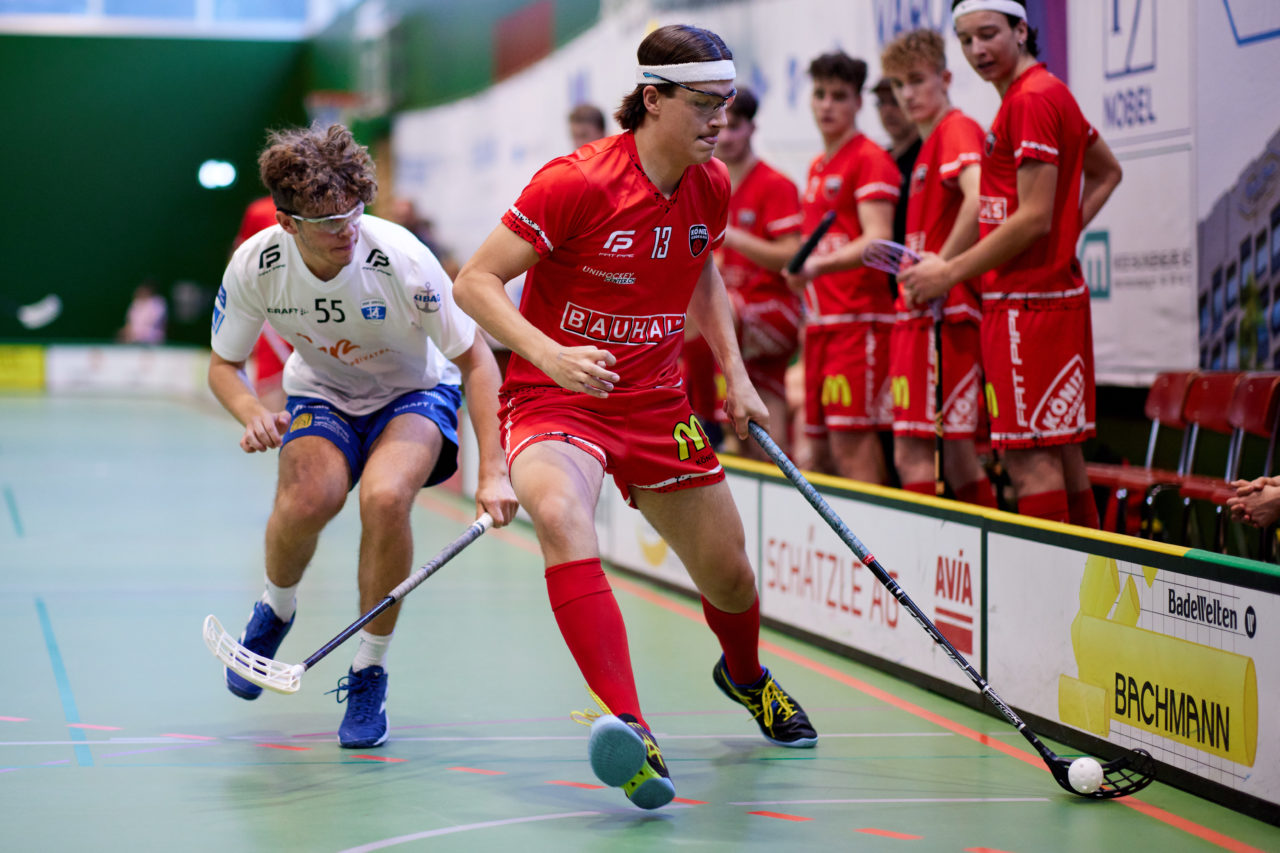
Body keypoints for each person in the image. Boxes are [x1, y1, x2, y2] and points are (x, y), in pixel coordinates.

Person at [453, 24, 817, 811]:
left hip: (656, 402)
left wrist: (736, 374)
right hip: (558, 396)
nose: (720, 119)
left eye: (727, 102)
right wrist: (546, 354)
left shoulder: (708, 182)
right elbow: (474, 282)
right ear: (653, 99)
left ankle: (746, 677)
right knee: (558, 512)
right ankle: (633, 724)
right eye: (705, 103)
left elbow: (701, 272)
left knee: (729, 571)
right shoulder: (576, 182)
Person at [208, 124, 518, 749]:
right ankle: (276, 609)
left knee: (383, 499)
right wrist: (250, 411)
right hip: (321, 391)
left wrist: (493, 470)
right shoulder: (258, 265)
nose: (346, 229)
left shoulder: (400, 258)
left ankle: (369, 668)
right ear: (288, 223)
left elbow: (478, 360)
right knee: (308, 498)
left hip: (414, 393)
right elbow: (223, 365)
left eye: (354, 211)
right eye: (327, 222)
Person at [899, 0, 1123, 525]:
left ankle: (1057, 604)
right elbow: (1105, 173)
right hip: (1038, 300)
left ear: (1021, 30)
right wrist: (1062, 237)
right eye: (967, 39)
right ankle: (1086, 600)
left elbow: (1034, 218)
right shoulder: (1039, 95)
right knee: (1062, 458)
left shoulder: (1031, 100)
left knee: (1029, 462)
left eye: (989, 34)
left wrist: (948, 272)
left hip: (1028, 306)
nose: (979, 50)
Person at [881, 29, 997, 508]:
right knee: (946, 459)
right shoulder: (926, 144)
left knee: (922, 456)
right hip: (921, 312)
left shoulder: (956, 129)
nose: (907, 95)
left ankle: (936, 572)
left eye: (916, 81)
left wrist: (941, 265)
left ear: (946, 78)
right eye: (898, 85)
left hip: (944, 313)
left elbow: (980, 198)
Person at [783, 51, 901, 484]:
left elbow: (877, 238)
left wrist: (817, 265)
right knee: (817, 452)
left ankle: (872, 549)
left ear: (857, 104)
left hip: (861, 324)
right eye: (819, 94)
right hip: (821, 327)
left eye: (839, 96)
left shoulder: (868, 158)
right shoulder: (817, 166)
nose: (827, 104)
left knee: (852, 447)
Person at [709, 86, 804, 460]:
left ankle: (696, 417)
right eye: (722, 127)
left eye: (737, 127)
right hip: (738, 320)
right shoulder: (708, 180)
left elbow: (791, 256)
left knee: (702, 312)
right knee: (762, 409)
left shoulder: (775, 184)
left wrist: (732, 236)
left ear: (753, 128)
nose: (727, 137)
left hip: (772, 310)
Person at [233, 196, 293, 411]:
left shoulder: (320, 207)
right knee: (272, 394)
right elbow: (239, 260)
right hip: (273, 315)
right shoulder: (258, 210)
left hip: (314, 312)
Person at [871, 76, 922, 252]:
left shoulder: (926, 152)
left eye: (894, 101)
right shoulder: (880, 158)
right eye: (881, 103)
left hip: (924, 263)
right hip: (889, 269)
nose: (887, 110)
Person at [118, 279, 167, 344]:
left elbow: (152, 324)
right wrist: (126, 331)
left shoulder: (159, 303)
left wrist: (136, 334)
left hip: (152, 339)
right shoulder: (136, 303)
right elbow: (129, 322)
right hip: (133, 338)